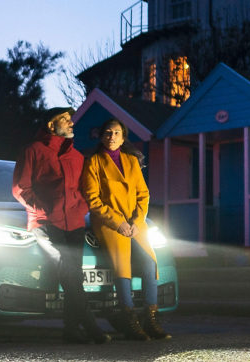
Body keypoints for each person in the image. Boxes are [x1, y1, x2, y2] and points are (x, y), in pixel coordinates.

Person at [12, 107, 110, 344]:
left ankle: (71, 330)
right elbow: (20, 188)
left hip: (75, 223)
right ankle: (91, 324)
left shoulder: (76, 156)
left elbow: (84, 190)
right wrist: (44, 210)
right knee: (68, 270)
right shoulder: (33, 151)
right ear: (51, 125)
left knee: (73, 275)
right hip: (45, 224)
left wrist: (81, 208)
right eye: (64, 119)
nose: (71, 123)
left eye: (70, 119)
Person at [80, 118, 170, 341]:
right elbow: (93, 200)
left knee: (149, 262)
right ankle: (130, 320)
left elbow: (143, 194)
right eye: (108, 132)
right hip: (109, 223)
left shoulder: (131, 161)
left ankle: (150, 319)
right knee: (122, 267)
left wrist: (137, 221)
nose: (112, 136)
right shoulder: (93, 162)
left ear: (123, 138)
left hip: (135, 223)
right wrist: (119, 223)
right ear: (101, 137)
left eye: (117, 133)